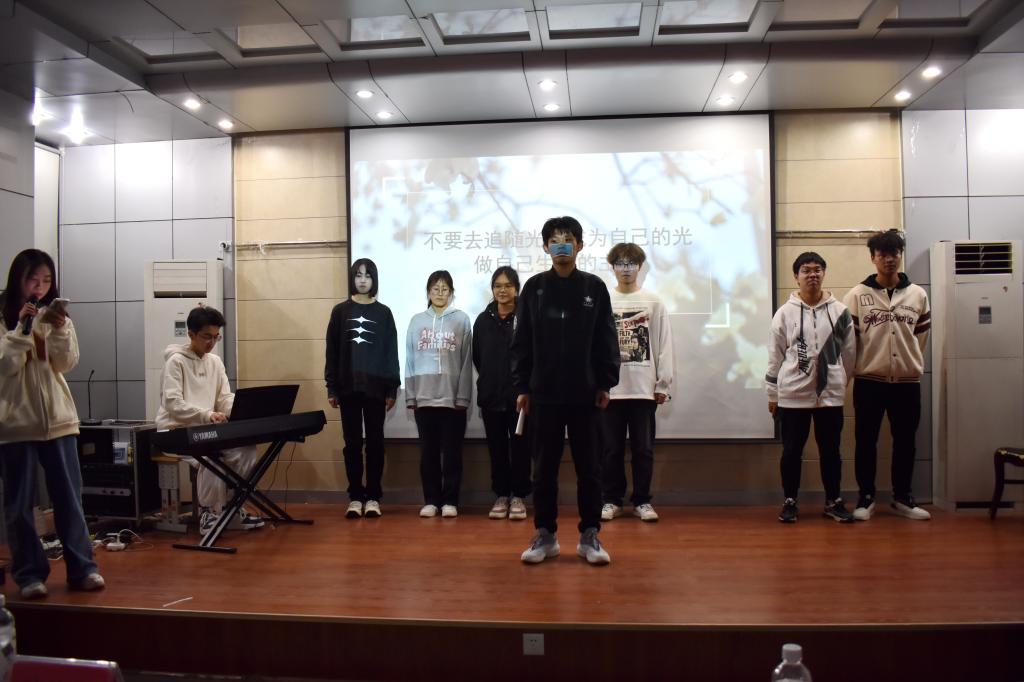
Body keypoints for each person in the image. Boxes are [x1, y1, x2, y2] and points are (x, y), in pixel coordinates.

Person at [512, 216, 620, 565]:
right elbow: (522, 341)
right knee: (544, 468)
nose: (561, 245)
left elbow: (606, 339)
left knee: (590, 468)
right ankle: (545, 535)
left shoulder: (594, 288)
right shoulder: (533, 288)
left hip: (586, 394)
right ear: (546, 247)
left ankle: (590, 536)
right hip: (543, 395)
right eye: (555, 240)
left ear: (579, 246)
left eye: (568, 239)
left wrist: (605, 382)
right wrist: (522, 385)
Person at [0, 249, 104, 599]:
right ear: (17, 279)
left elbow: (66, 363)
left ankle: (83, 568)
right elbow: (5, 367)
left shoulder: (54, 316)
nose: (39, 287)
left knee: (69, 499)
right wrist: (20, 328)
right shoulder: (3, 317)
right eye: (33, 279)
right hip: (16, 424)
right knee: (20, 505)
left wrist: (59, 330)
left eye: (46, 280)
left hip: (58, 421)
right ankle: (29, 574)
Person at [842, 230, 932, 521]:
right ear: (873, 258)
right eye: (882, 254)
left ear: (900, 256)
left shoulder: (918, 295)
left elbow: (920, 339)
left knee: (905, 441)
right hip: (869, 382)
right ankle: (866, 497)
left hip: (906, 383)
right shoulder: (857, 295)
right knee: (865, 441)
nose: (889, 259)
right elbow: (850, 343)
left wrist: (906, 363)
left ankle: (902, 497)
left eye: (894, 253)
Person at [766, 252, 856, 524]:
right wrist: (773, 394)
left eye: (817, 269)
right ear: (796, 276)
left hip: (830, 397)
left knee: (831, 452)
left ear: (824, 273)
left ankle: (833, 501)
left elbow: (849, 354)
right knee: (792, 451)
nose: (812, 275)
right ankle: (790, 501)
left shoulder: (840, 312)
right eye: (806, 270)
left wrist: (838, 383)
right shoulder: (784, 313)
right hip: (793, 396)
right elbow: (774, 356)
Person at [155, 306, 263, 534]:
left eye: (216, 337)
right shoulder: (175, 362)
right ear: (191, 334)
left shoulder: (215, 362)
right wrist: (206, 415)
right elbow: (173, 403)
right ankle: (208, 512)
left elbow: (224, 398)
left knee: (246, 450)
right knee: (211, 453)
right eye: (207, 336)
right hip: (176, 430)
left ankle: (232, 510)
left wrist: (241, 411)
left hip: (206, 429)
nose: (212, 342)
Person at [600, 243, 674, 523]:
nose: (626, 269)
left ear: (640, 267)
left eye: (631, 263)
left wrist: (663, 384)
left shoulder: (653, 301)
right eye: (620, 263)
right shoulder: (604, 300)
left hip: (643, 390)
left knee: (643, 450)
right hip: (611, 390)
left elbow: (664, 344)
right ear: (613, 267)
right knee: (611, 450)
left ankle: (642, 500)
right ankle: (611, 500)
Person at [325, 258, 400, 519]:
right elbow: (332, 351)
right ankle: (355, 497)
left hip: (376, 389)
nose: (363, 280)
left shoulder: (384, 313)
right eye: (358, 275)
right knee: (352, 444)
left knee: (375, 444)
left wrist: (392, 389)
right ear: (352, 278)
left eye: (368, 275)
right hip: (347, 389)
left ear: (374, 279)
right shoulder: (340, 311)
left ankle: (374, 497)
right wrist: (331, 387)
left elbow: (391, 352)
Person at [405, 271, 473, 519]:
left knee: (452, 454)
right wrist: (410, 395)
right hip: (424, 398)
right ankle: (432, 500)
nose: (440, 293)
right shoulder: (416, 321)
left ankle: (450, 501)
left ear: (452, 293)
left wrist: (463, 396)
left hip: (452, 400)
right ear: (428, 292)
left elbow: (466, 360)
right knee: (428, 453)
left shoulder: (462, 320)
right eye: (435, 288)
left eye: (445, 289)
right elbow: (410, 360)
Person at [473, 266, 530, 521]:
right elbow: (478, 357)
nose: (502, 290)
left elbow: (533, 355)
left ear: (516, 289)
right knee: (496, 449)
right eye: (498, 286)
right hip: (491, 396)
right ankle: (502, 494)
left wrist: (525, 387)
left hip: (520, 398)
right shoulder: (483, 320)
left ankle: (519, 495)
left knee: (521, 449)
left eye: (508, 285)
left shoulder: (526, 317)